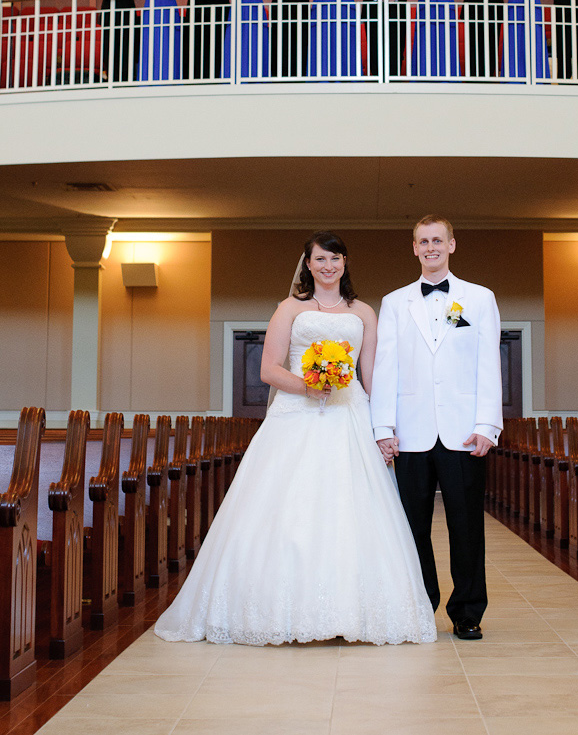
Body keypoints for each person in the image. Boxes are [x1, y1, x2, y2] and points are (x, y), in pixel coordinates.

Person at [154, 232, 437, 646]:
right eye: (320, 259)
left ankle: (356, 612)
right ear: (307, 264)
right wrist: (309, 386)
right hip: (297, 414)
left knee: (354, 507)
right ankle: (276, 610)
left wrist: (385, 428)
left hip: (350, 413)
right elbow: (269, 368)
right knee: (288, 506)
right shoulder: (290, 308)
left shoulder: (364, 312)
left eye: (335, 258)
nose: (328, 266)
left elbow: (371, 373)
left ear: (345, 263)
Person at [370, 216, 502, 641]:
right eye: (423, 241)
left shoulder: (479, 299)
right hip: (410, 434)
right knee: (412, 528)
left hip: (463, 432)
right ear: (414, 248)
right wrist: (382, 427)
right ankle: (420, 606)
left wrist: (487, 425)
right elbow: (385, 368)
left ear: (452, 245)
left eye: (437, 241)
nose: (431, 247)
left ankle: (467, 612)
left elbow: (488, 366)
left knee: (466, 528)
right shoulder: (394, 302)